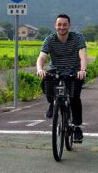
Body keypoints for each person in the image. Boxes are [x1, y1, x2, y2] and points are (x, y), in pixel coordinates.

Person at [36, 13, 87, 143]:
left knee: (75, 98)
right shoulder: (50, 39)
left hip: (74, 71)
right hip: (55, 70)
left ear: (69, 25)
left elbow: (83, 55)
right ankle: (52, 104)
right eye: (59, 24)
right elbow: (42, 56)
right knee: (46, 82)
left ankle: (76, 127)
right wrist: (40, 69)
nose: (62, 27)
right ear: (55, 26)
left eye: (64, 25)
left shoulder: (78, 38)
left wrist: (82, 70)